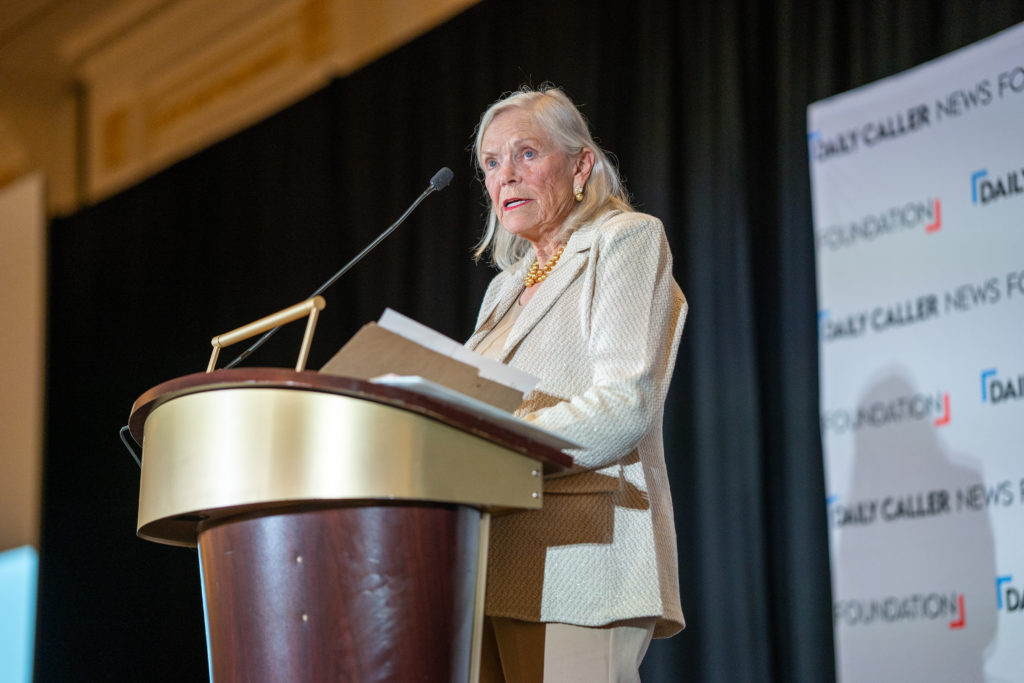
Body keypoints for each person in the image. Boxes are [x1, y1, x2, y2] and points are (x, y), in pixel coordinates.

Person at [465, 85, 688, 682]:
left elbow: (625, 404)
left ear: (581, 165)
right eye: (491, 163)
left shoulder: (625, 239)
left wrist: (490, 441)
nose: (506, 176)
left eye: (526, 154)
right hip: (487, 561)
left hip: (583, 556)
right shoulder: (504, 287)